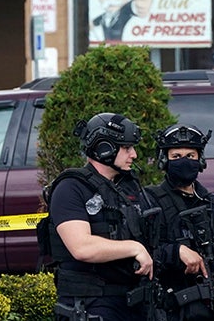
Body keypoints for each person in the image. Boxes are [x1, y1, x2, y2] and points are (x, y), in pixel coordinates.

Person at [44, 113, 160, 321]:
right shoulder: (70, 188)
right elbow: (82, 248)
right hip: (91, 304)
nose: (133, 154)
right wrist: (134, 248)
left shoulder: (128, 189)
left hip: (132, 302)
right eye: (126, 148)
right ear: (104, 148)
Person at [147, 124, 214, 321]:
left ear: (200, 160)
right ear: (165, 160)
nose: (183, 161)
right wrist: (176, 252)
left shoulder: (213, 204)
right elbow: (142, 252)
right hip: (170, 309)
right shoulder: (150, 201)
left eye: (190, 156)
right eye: (176, 156)